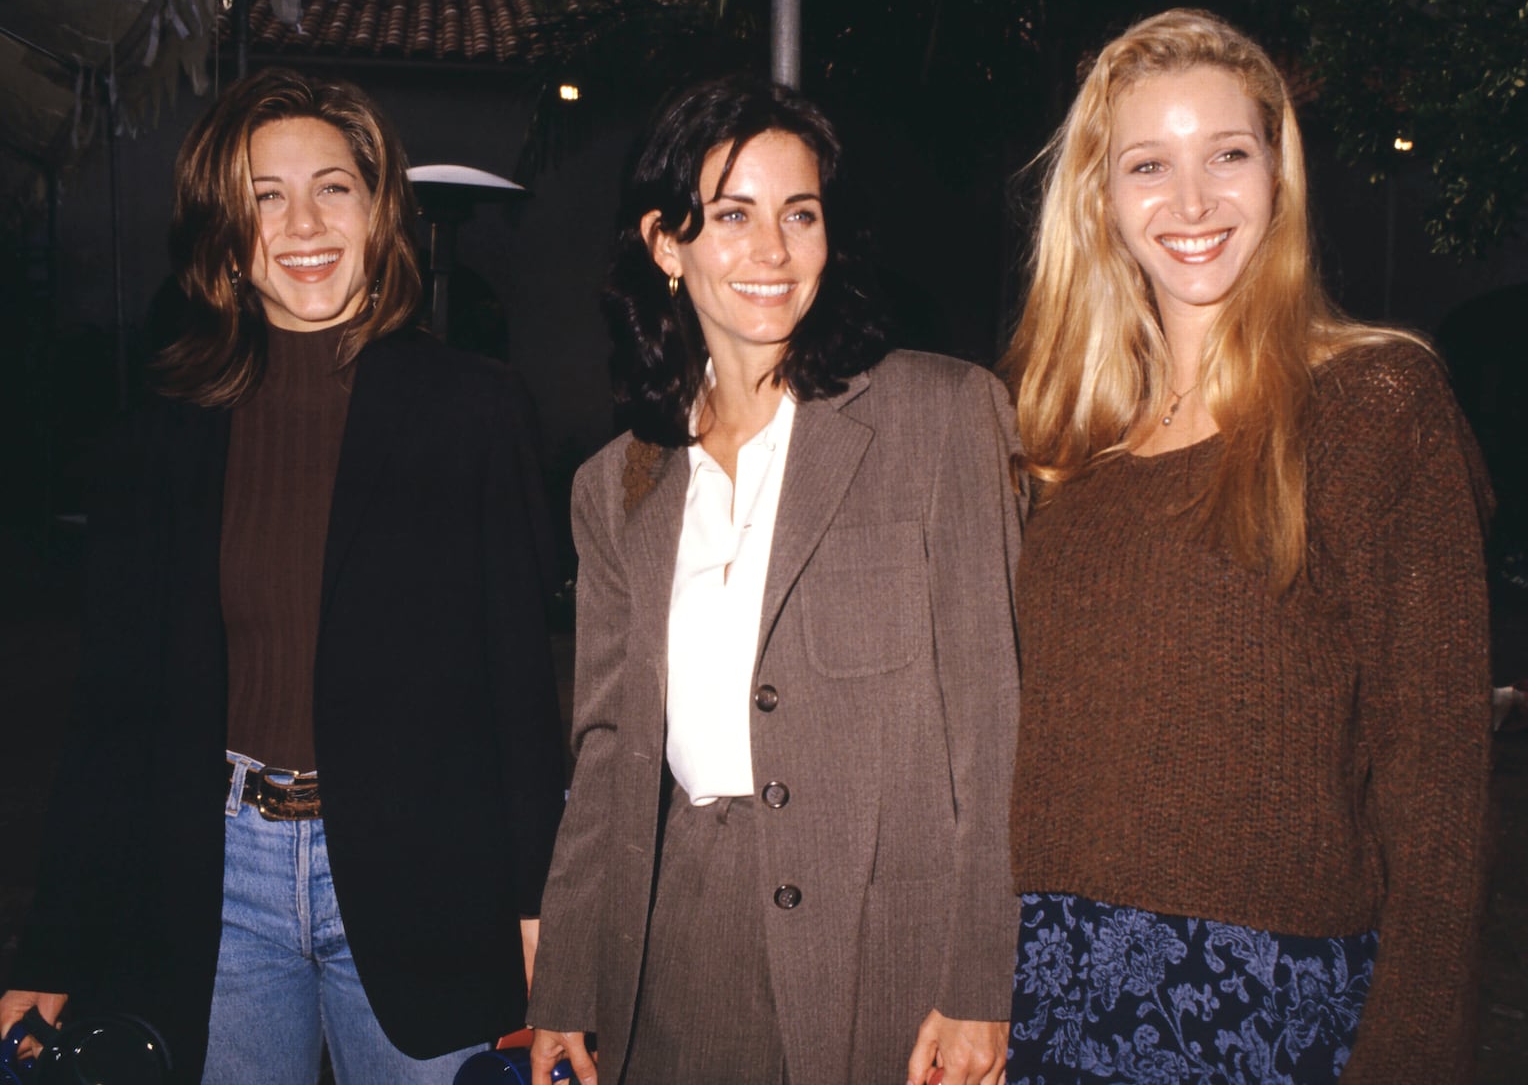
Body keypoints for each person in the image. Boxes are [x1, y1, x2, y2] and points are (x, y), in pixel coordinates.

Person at [0, 68, 566, 1084]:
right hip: (218, 884)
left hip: (425, 880)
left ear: (378, 205)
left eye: (333, 187)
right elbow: (113, 709)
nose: (303, 223)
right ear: (224, 228)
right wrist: (53, 944)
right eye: (266, 195)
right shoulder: (161, 433)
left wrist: (542, 912)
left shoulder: (475, 412)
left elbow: (519, 687)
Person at [1003, 9, 1494, 1084]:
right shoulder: (1062, 445)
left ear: (1278, 173)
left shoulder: (1373, 404)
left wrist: (1411, 1049)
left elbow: (1437, 780)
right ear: (1100, 197)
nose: (1190, 203)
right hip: (1052, 975)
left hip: (1264, 995)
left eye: (1227, 153)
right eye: (1147, 164)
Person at [525, 76, 1024, 1085]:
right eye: (732, 216)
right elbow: (610, 750)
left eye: (800, 214)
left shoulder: (941, 417)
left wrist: (982, 982)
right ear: (665, 244)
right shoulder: (616, 482)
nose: (774, 251)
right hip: (682, 938)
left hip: (887, 947)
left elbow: (995, 722)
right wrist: (566, 986)